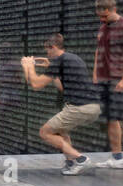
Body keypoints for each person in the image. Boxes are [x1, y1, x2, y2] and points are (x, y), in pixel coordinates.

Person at [20, 33, 100, 175]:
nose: (47, 53)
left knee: (45, 132)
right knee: (60, 131)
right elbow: (62, 87)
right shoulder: (72, 58)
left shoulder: (59, 61)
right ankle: (70, 162)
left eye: (48, 50)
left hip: (78, 107)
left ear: (53, 47)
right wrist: (51, 69)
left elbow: (36, 85)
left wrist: (29, 66)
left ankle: (81, 159)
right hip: (92, 107)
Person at [92, 0, 123, 169]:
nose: (102, 19)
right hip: (103, 78)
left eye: (104, 16)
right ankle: (116, 156)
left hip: (119, 78)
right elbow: (99, 50)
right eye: (100, 17)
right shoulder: (103, 27)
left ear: (113, 9)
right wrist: (95, 73)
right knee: (110, 119)